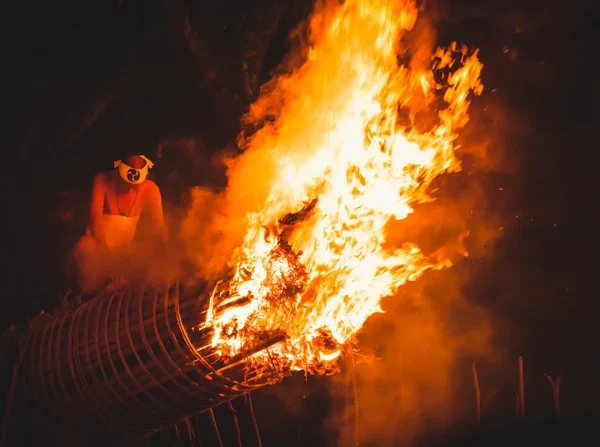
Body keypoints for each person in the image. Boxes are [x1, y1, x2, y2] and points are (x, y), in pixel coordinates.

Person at [71, 154, 168, 293]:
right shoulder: (102, 180)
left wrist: (164, 251)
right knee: (84, 245)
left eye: (135, 186)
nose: (130, 189)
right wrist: (110, 258)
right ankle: (87, 293)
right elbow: (94, 223)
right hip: (99, 245)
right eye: (126, 184)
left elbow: (159, 227)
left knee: (150, 251)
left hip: (124, 249)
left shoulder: (151, 189)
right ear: (119, 172)